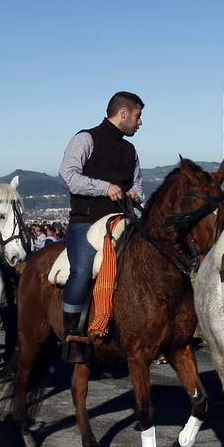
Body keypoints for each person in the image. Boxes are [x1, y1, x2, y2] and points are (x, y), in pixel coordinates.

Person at [58, 92, 145, 363]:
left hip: (122, 222)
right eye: (138, 116)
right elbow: (68, 176)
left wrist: (135, 194)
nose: (140, 123)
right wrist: (104, 188)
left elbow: (137, 183)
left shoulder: (130, 150)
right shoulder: (85, 138)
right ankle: (72, 334)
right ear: (123, 113)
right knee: (82, 271)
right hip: (86, 221)